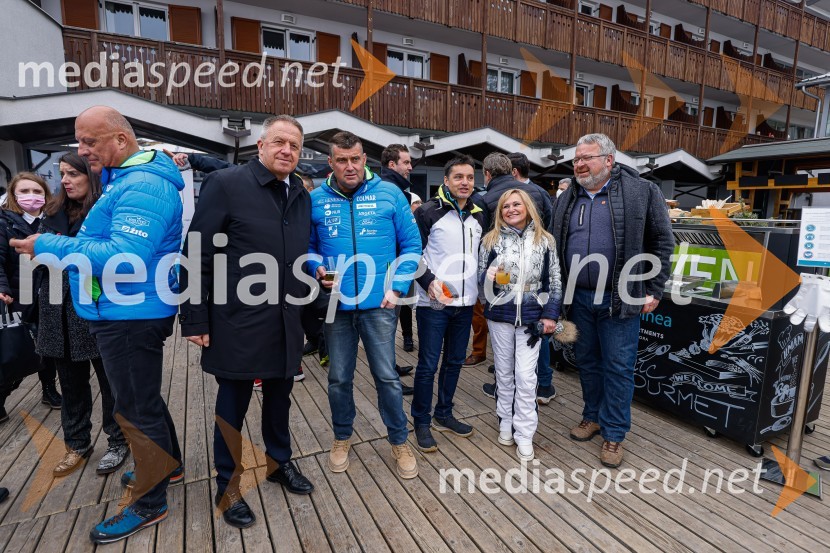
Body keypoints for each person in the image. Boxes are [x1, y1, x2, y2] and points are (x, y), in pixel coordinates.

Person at [13, 106, 184, 544]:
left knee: (133, 408)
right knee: (142, 399)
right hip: (124, 310)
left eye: (89, 142)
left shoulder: (142, 183)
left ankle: (150, 503)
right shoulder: (125, 179)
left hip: (130, 314)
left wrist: (46, 243)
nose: (81, 151)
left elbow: (123, 256)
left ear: (121, 141)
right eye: (80, 141)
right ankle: (171, 465)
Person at [180, 114, 315, 529]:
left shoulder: (300, 193)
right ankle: (228, 483)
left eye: (294, 145)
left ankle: (279, 463)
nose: (286, 151)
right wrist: (194, 318)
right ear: (261, 145)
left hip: (286, 317)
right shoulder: (227, 184)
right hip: (236, 318)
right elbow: (196, 254)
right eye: (279, 142)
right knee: (232, 404)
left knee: (280, 399)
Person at [550, 133, 672, 469]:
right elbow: (554, 244)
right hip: (579, 299)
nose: (579, 164)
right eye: (576, 159)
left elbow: (663, 242)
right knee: (586, 362)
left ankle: (614, 433)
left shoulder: (642, 192)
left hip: (622, 298)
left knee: (618, 367)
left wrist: (656, 288)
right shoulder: (567, 197)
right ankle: (592, 417)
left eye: (587, 157)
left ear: (609, 160)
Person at [309, 131, 421, 479]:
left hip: (380, 304)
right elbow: (307, 246)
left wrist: (398, 286)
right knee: (339, 377)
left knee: (386, 376)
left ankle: (399, 440)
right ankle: (342, 437)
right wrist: (316, 267)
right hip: (336, 305)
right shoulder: (316, 198)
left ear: (364, 160)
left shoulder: (390, 193)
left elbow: (412, 246)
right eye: (341, 160)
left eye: (355, 158)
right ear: (331, 163)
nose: (349, 166)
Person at [37, 153, 129, 476]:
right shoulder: (50, 212)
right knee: (71, 383)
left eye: (73, 174)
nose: (65, 180)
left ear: (90, 177)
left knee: (111, 381)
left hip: (95, 307)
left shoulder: (105, 211)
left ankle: (118, 440)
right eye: (62, 174)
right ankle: (77, 444)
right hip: (55, 309)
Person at [479, 188, 561, 462]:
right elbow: (481, 283)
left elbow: (555, 282)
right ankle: (505, 421)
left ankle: (525, 432)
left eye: (516, 204)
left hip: (531, 316)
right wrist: (487, 278)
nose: (511, 209)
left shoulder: (545, 240)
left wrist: (550, 315)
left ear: (527, 207)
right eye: (505, 206)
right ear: (500, 212)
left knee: (526, 377)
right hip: (500, 315)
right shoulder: (489, 240)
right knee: (503, 373)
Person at [411, 155, 486, 452]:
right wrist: (429, 282)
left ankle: (444, 413)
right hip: (434, 304)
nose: (465, 182)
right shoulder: (429, 212)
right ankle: (421, 421)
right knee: (428, 364)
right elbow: (411, 254)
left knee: (454, 361)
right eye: (458, 177)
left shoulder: (480, 213)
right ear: (446, 180)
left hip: (466, 303)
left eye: (469, 177)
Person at [0, 172, 61, 420]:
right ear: (13, 195)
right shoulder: (4, 222)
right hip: (19, 294)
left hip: (50, 292)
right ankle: (2, 394)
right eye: (24, 191)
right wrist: (2, 288)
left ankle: (49, 389)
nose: (31, 197)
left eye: (37, 192)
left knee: (50, 347)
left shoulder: (53, 221)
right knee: (17, 348)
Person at [508, 152, 556, 403]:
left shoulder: (508, 194)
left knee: (535, 328)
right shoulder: (541, 193)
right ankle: (543, 384)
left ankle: (535, 383)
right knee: (535, 331)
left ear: (514, 172)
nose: (512, 208)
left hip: (529, 278)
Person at [381, 144, 417, 356]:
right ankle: (389, 378)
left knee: (390, 322)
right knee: (387, 324)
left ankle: (390, 370)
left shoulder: (396, 189)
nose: (410, 167)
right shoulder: (390, 190)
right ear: (392, 164)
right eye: (406, 162)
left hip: (391, 264)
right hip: (389, 266)